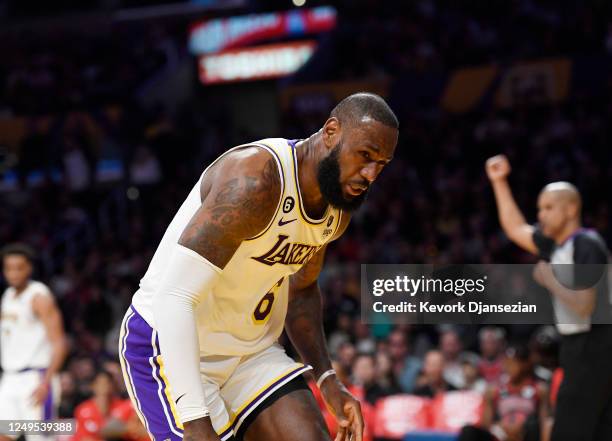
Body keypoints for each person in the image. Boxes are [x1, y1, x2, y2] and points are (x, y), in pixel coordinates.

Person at [118, 93, 399, 441]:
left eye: (381, 164)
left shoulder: (336, 208)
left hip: (251, 352)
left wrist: (327, 379)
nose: (370, 174)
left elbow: (302, 290)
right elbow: (174, 298)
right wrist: (195, 421)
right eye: (365, 156)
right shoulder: (256, 181)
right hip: (171, 347)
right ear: (331, 132)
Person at [486, 154, 612, 441]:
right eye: (539, 208)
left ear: (571, 209)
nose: (541, 215)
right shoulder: (558, 246)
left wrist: (550, 280)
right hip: (585, 349)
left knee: (568, 432)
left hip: (593, 347)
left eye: (548, 207)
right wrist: (499, 182)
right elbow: (516, 229)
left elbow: (584, 305)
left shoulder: (586, 243)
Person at [0, 243, 68, 440]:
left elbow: (59, 342)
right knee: (4, 435)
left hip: (35, 378)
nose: (13, 273)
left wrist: (46, 382)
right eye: (8, 268)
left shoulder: (39, 296)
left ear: (29, 268)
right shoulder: (8, 296)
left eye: (18, 268)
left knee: (39, 438)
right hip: (10, 378)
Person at [459, 344, 549, 441]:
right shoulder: (494, 389)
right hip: (501, 434)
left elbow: (545, 423)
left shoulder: (539, 389)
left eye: (514, 363)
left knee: (533, 426)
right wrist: (499, 429)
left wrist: (522, 427)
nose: (509, 367)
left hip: (526, 434)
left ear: (525, 364)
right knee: (468, 431)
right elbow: (486, 425)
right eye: (507, 363)